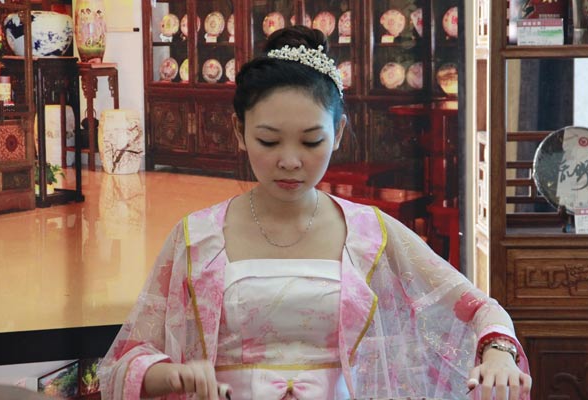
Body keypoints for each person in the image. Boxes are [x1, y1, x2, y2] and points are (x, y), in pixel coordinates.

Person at [99, 26, 531, 400]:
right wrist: (170, 375)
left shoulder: (370, 233)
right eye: (269, 141)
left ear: (338, 133)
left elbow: (478, 309)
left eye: (311, 141)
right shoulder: (198, 237)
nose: (290, 161)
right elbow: (126, 359)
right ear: (239, 131)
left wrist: (498, 352)